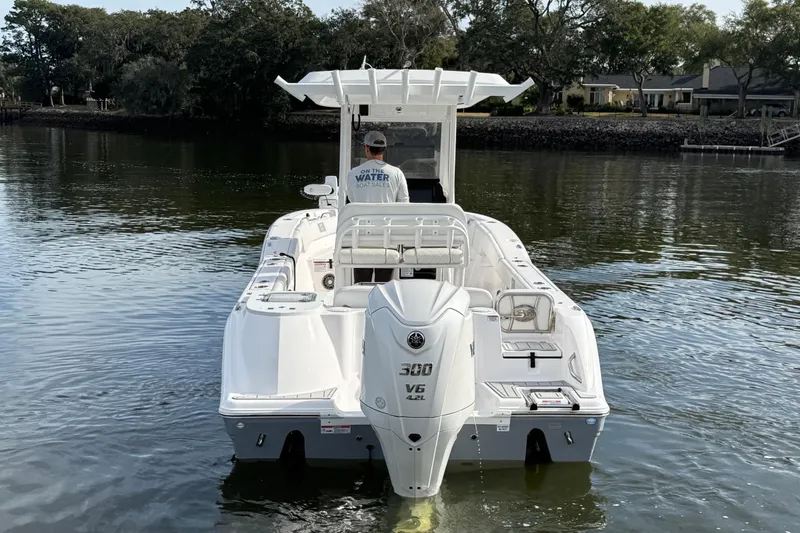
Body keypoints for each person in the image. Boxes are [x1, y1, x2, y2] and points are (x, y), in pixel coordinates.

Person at [346, 130, 409, 284]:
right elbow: (404, 205)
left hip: (360, 238)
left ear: (366, 148)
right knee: (384, 285)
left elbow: (352, 201)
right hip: (387, 239)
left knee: (361, 284)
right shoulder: (397, 173)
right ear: (384, 149)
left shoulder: (353, 174)